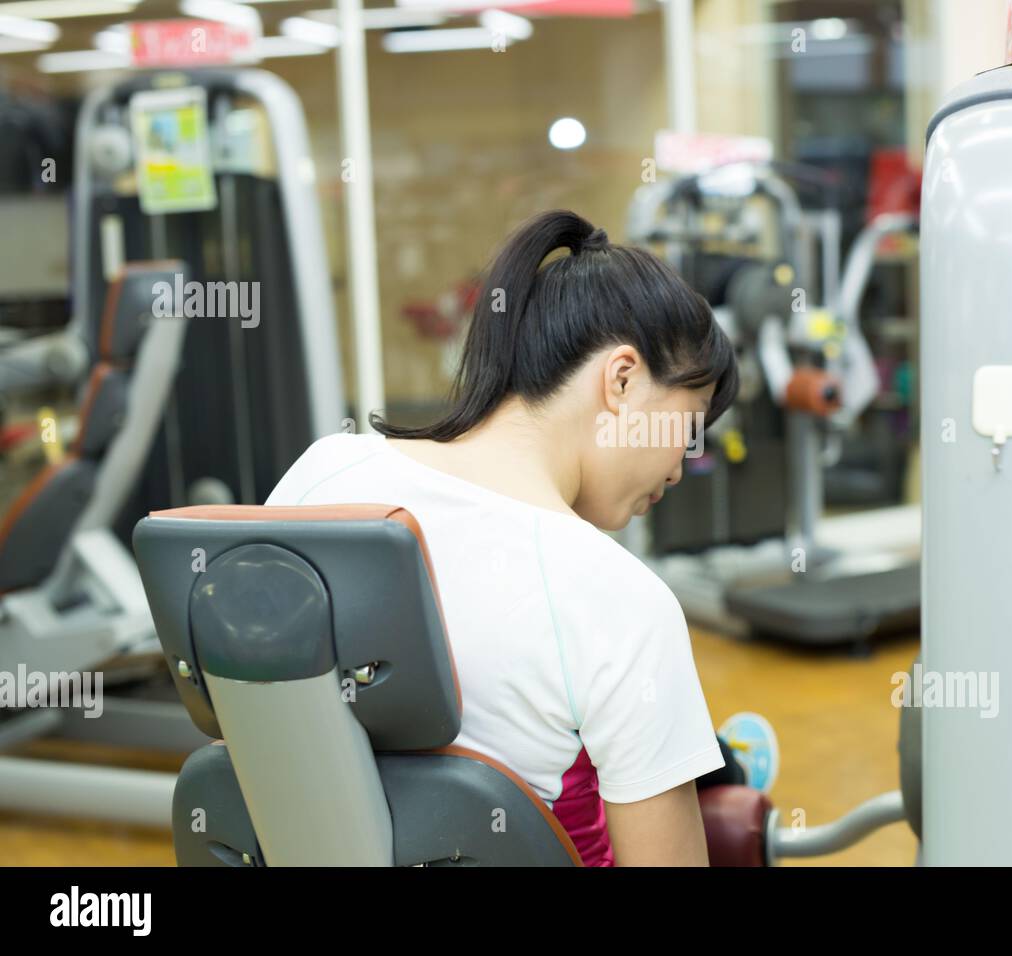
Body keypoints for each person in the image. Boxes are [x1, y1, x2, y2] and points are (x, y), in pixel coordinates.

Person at [266, 210, 741, 866]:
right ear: (622, 379)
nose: (680, 468)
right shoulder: (621, 598)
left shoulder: (323, 472)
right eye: (687, 429)